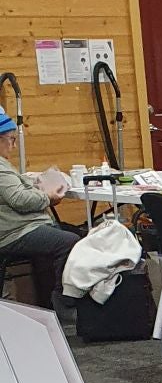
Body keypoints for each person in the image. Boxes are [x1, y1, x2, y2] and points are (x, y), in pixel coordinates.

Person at [0, 112, 79, 306]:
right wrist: (47, 197)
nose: (14, 145)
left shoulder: (4, 166)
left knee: (65, 233)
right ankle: (64, 302)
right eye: (11, 139)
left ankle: (49, 303)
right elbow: (19, 199)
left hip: (17, 228)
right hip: (14, 232)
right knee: (70, 241)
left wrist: (32, 183)